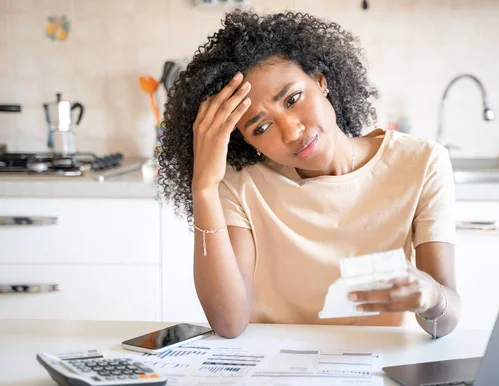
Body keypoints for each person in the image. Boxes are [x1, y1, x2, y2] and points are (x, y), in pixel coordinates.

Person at [157, 9, 461, 339]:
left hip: (369, 366)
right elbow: (228, 323)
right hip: (271, 369)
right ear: (242, 139)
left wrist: (431, 297)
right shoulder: (242, 183)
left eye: (293, 98)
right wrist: (203, 187)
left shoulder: (421, 163)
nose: (291, 131)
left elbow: (442, 323)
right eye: (260, 127)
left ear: (320, 80)